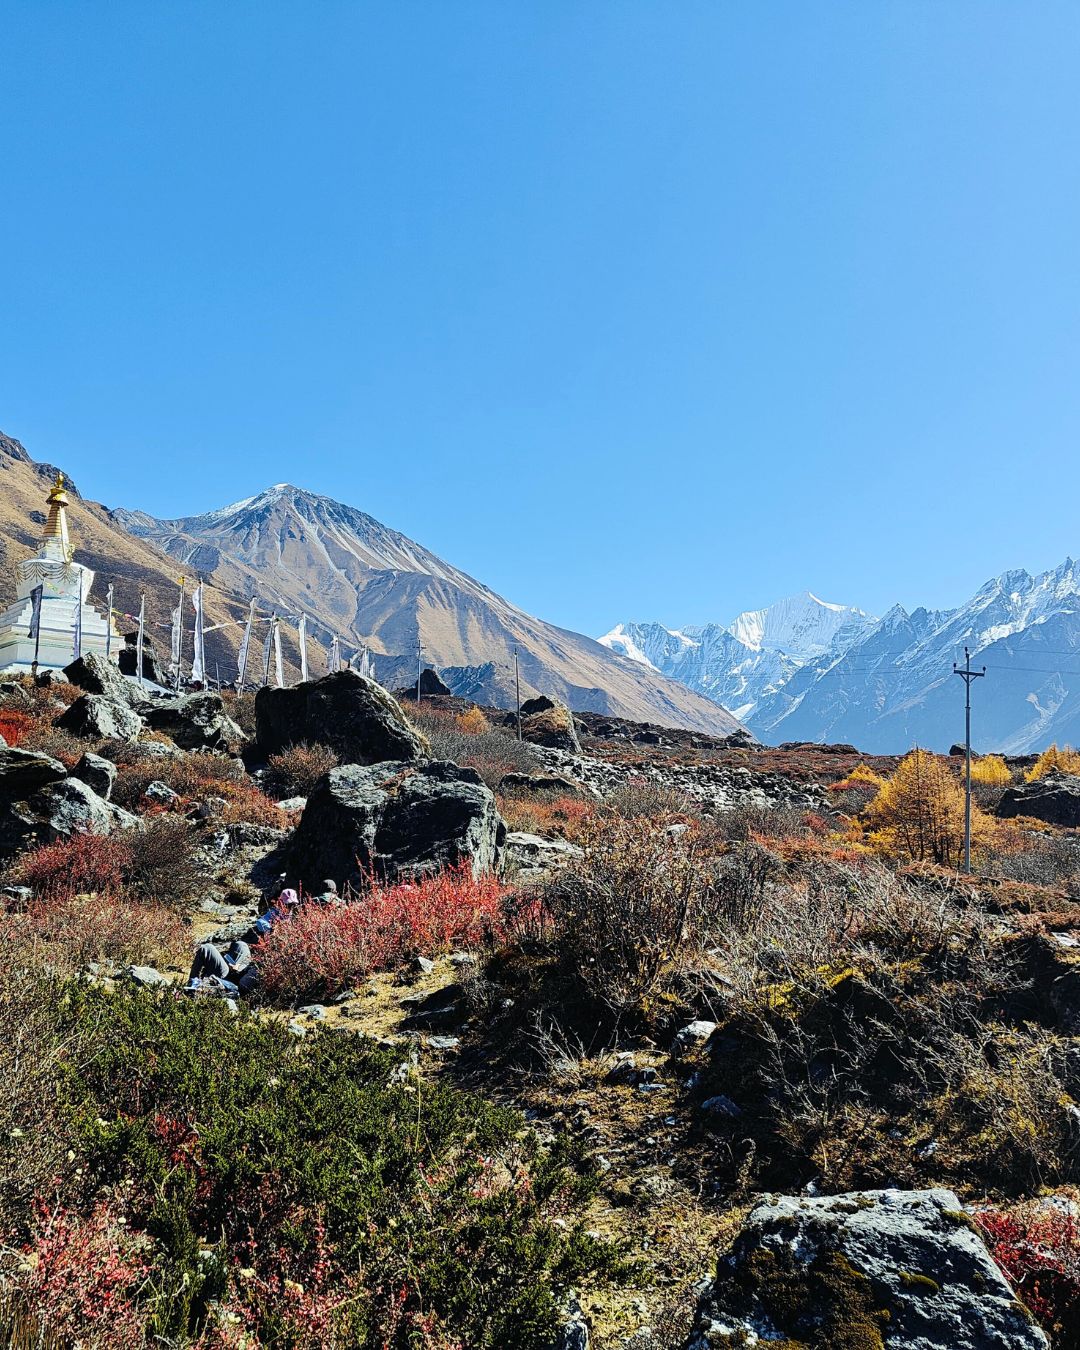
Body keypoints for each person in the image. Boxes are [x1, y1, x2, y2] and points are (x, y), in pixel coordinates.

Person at [185, 939, 254, 996]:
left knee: (207, 948)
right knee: (241, 944)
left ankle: (192, 987)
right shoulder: (262, 961)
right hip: (238, 971)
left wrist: (239, 969)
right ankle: (193, 984)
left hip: (235, 985)